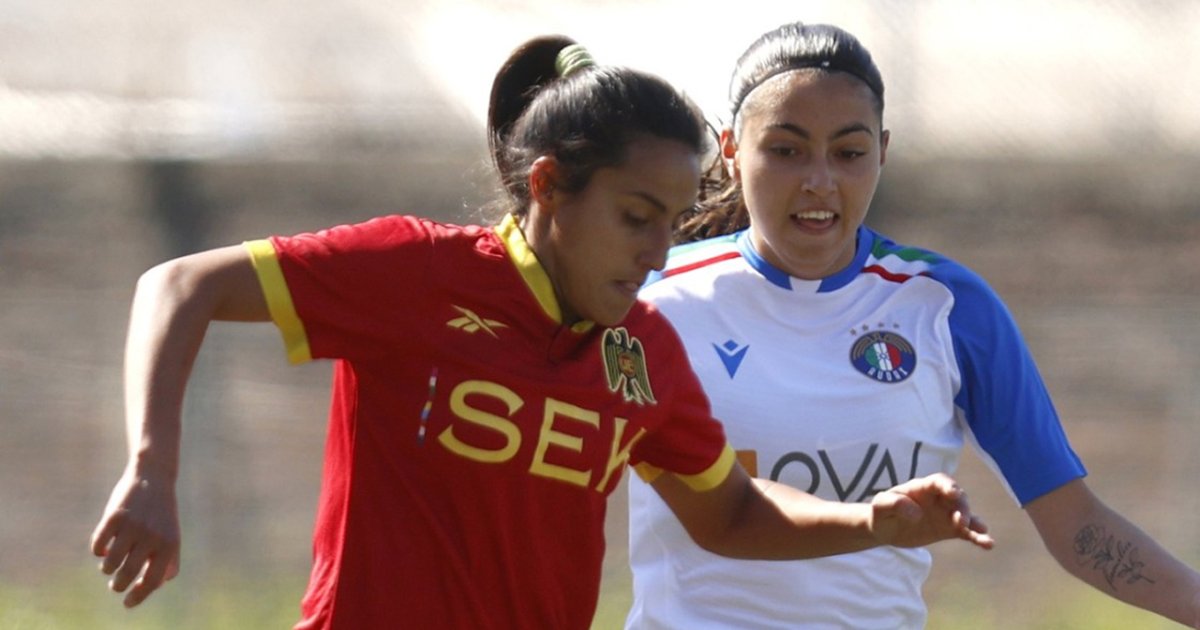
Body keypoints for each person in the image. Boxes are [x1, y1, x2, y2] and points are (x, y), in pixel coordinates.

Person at [88, 34, 993, 630]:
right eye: (636, 216)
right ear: (550, 186)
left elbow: (728, 512)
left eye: (674, 222)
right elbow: (179, 285)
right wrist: (152, 469)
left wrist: (872, 521)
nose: (658, 251)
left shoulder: (642, 350)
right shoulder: (418, 272)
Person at [626, 21, 1200, 630]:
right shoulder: (651, 297)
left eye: (849, 153)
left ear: (883, 151)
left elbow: (1076, 524)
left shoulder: (945, 306)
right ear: (732, 150)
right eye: (786, 150)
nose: (820, 181)